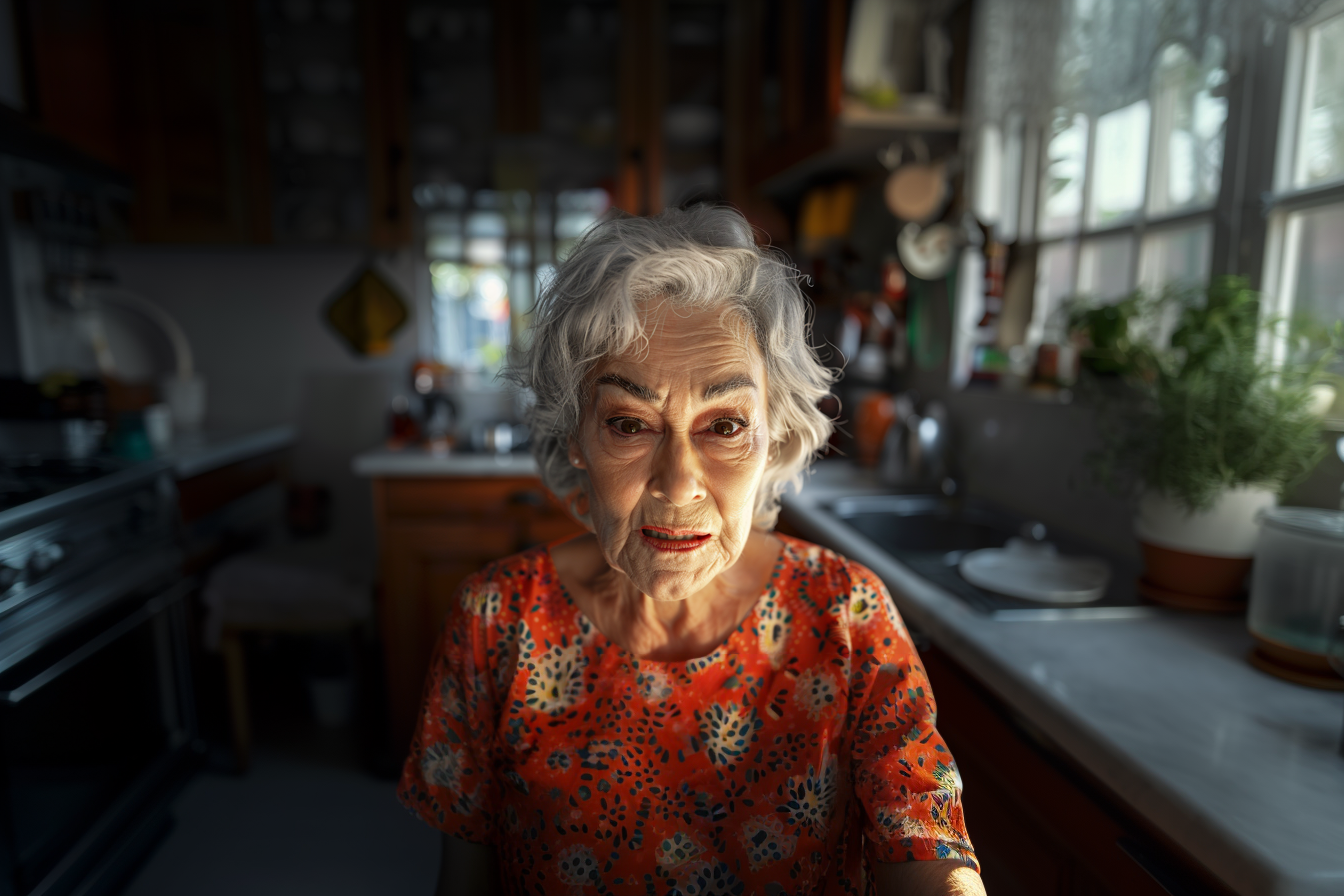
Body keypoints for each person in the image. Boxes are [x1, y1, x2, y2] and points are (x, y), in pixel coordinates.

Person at [399, 205, 982, 896]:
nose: (678, 486)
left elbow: (928, 845)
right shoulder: (496, 621)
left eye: (726, 424)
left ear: (775, 436)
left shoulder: (847, 616)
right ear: (578, 439)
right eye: (628, 423)